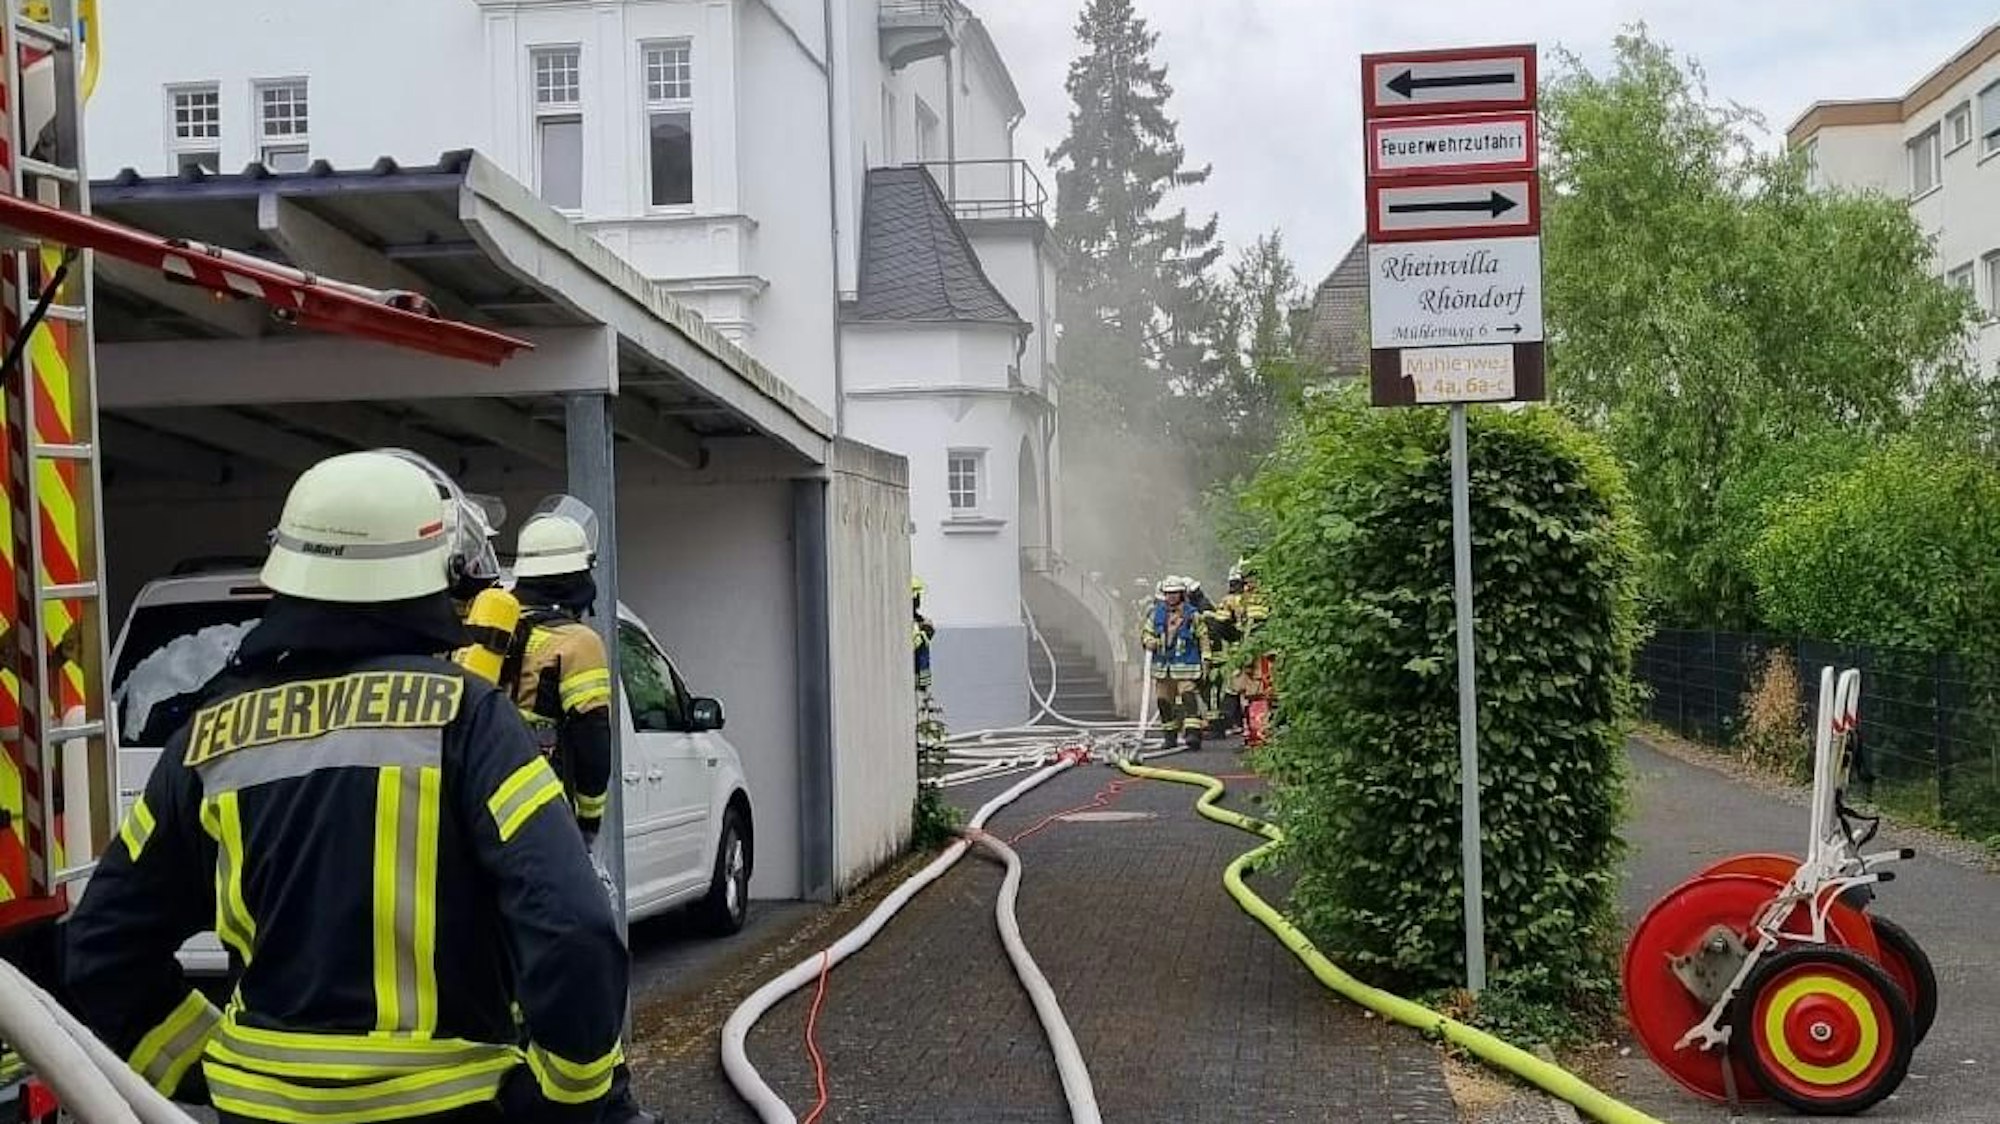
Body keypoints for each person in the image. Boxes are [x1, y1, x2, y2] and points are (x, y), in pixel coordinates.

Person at [65, 450, 627, 1123]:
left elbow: (100, 948)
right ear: (431, 578)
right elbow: (574, 929)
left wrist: (205, 1067)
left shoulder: (209, 735)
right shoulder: (468, 719)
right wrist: (571, 1094)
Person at [502, 496, 661, 1124]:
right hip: (547, 819)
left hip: (479, 815)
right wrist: (589, 821)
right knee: (582, 946)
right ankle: (604, 1097)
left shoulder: (488, 634)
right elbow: (592, 741)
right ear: (578, 576)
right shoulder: (577, 643)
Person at [1141, 576, 1209, 752]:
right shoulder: (1156, 614)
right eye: (1168, 593)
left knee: (1188, 696)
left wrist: (1206, 658)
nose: (1171, 597)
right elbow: (1146, 632)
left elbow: (1203, 637)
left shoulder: (1192, 614)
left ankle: (1193, 734)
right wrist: (1149, 641)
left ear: (1182, 594)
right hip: (1163, 668)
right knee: (1164, 701)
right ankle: (1169, 737)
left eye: (1175, 593)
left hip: (1186, 665)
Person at [912, 576, 936, 696]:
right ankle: (922, 684)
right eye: (918, 596)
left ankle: (924, 684)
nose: (919, 600)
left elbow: (930, 629)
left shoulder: (919, 620)